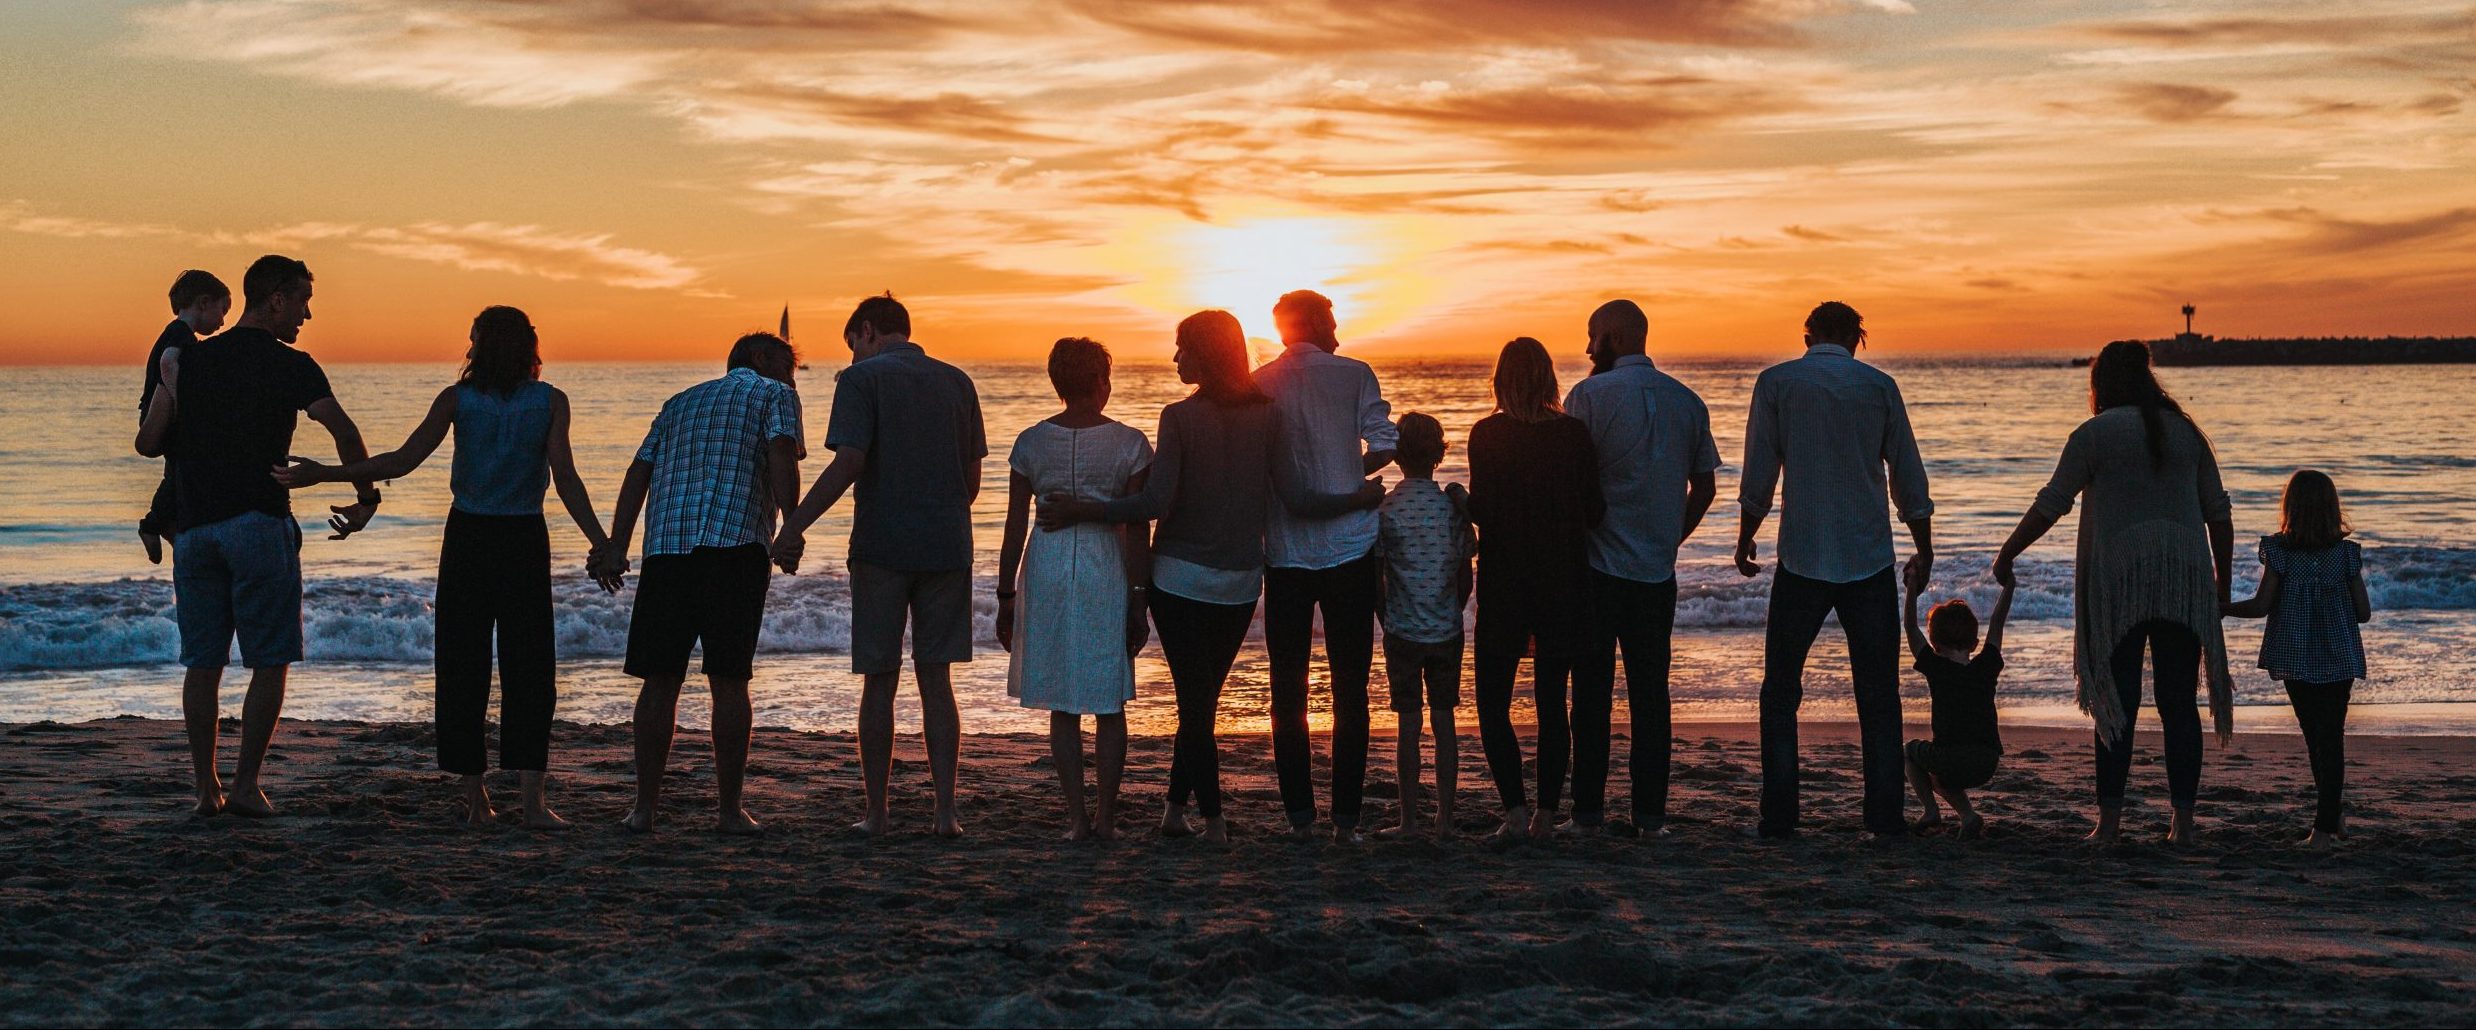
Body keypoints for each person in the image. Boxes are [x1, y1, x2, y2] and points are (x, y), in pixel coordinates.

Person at [273, 306, 619, 828]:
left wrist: (329, 473)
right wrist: (602, 543)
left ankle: (477, 799)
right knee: (530, 669)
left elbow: (402, 461)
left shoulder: (462, 399)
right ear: (529, 346)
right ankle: (531, 804)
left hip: (472, 540)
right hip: (521, 539)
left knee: (464, 667)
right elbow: (565, 478)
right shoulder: (547, 401)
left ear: (481, 346)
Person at [1037, 310, 1374, 842]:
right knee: (1202, 700)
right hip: (1239, 583)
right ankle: (1175, 810)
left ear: (1206, 354)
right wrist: (1358, 496)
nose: (1175, 359)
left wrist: (1083, 508)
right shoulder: (1268, 414)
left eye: (1182, 348)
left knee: (1195, 704)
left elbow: (1152, 501)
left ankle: (1214, 822)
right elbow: (1298, 498)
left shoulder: (1177, 417)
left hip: (1179, 580)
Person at [135, 254, 382, 818]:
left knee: (203, 664)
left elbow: (151, 442)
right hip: (257, 524)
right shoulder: (292, 365)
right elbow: (343, 429)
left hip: (195, 530)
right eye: (301, 301)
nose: (307, 314)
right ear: (275, 299)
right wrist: (366, 498)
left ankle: (205, 790)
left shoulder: (189, 360)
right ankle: (245, 786)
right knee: (269, 660)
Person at [1994, 340, 2233, 846]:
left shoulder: (2094, 435)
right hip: (2183, 581)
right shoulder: (2187, 434)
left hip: (2118, 584)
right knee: (2178, 705)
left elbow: (2050, 504)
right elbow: (2219, 513)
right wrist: (2221, 586)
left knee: (2115, 701)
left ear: (2101, 383)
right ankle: (2183, 824)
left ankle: (2109, 823)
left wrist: (2008, 552)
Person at [772, 294, 985, 838]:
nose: (852, 358)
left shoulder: (860, 381)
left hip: (883, 546)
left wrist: (794, 524)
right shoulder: (958, 381)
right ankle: (945, 814)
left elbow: (849, 462)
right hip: (947, 545)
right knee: (937, 681)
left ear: (866, 331)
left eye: (852, 346)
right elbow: (973, 484)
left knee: (879, 681)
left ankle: (878, 814)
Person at [1735, 301, 1934, 839]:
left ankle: (1780, 816)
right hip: (1868, 556)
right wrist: (1925, 545)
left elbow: (1760, 471)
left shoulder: (1776, 383)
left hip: (1801, 556)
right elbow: (1908, 475)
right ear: (1857, 338)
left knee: (1781, 690)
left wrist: (1746, 534)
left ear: (1807, 336)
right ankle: (1884, 816)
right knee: (1878, 693)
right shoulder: (1879, 387)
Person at [594, 332, 803, 835]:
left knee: (659, 680)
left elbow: (638, 472)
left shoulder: (679, 402)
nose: (793, 376)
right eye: (788, 364)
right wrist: (792, 525)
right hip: (734, 548)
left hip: (667, 550)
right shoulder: (775, 394)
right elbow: (779, 451)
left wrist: (616, 545)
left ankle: (643, 809)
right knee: (729, 681)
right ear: (759, 358)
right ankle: (729, 811)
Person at [1562, 299, 1719, 837]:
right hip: (1656, 570)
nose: (1587, 349)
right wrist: (1671, 537)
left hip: (1598, 568)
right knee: (1652, 695)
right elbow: (1706, 487)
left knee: (1591, 696)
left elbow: (1570, 485)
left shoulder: (1586, 397)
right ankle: (1649, 817)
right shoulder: (1687, 401)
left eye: (1592, 336)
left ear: (1617, 336)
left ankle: (1587, 815)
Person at [1254, 289, 1398, 842]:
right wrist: (1348, 471)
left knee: (1286, 686)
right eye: (1333, 317)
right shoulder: (1355, 373)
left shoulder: (1262, 382)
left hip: (1285, 552)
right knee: (1350, 686)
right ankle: (1346, 819)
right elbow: (1385, 442)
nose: (1338, 328)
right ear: (1316, 321)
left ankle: (1299, 816)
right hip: (1349, 549)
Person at [994, 338, 1152, 841]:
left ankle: (1076, 821)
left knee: (1064, 702)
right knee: (1108, 701)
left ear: (1057, 384)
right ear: (1101, 382)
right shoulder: (1130, 443)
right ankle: (1105, 819)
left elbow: (1015, 526)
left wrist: (1005, 597)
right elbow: (1139, 528)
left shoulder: (1030, 442)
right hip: (1107, 567)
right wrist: (1139, 598)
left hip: (1047, 567)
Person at [1467, 337, 1604, 841]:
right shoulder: (1573, 435)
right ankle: (1547, 815)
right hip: (1564, 580)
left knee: (1493, 702)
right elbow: (1594, 513)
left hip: (1507, 582)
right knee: (1552, 702)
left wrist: (1462, 502)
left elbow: (1485, 511)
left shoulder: (1486, 435)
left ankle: (1516, 814)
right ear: (1549, 379)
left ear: (1501, 381)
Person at [2224, 469, 2370, 846]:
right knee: (2330, 736)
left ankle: (2323, 829)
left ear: (2289, 508)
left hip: (2295, 653)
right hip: (2338, 654)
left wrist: (2223, 608)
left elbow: (2261, 606)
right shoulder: (2347, 555)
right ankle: (2332, 817)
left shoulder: (2280, 552)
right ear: (2332, 508)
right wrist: (2332, 604)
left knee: (2314, 736)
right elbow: (2364, 611)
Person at [1372, 412, 1472, 843]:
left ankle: (1409, 821)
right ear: (1439, 453)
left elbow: (1378, 574)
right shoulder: (1451, 506)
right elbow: (1466, 570)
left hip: (1403, 629)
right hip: (1446, 628)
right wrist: (1453, 607)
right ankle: (1445, 819)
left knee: (1408, 726)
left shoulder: (1386, 508)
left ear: (1396, 456)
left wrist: (1386, 616)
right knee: (1445, 721)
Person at [1902, 578, 2012, 839]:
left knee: (1909, 752)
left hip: (1951, 758)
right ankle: (1968, 816)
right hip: (1987, 761)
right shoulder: (1987, 666)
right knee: (1940, 776)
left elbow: (1909, 627)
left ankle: (1930, 811)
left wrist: (1910, 589)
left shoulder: (1936, 667)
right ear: (1975, 644)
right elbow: (1997, 622)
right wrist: (2010, 585)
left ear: (1935, 646)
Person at [138, 269, 233, 565]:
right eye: (222, 310)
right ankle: (153, 524)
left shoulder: (176, 332)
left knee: (177, 470)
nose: (223, 321)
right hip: (162, 414)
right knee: (180, 470)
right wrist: (184, 404)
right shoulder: (181, 333)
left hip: (160, 412)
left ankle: (162, 525)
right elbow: (168, 364)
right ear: (204, 303)